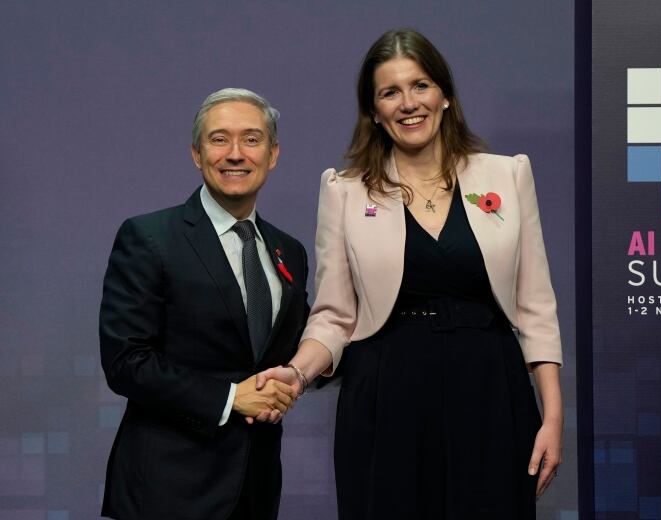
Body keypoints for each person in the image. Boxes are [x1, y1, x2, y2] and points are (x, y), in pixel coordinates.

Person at [260, 29, 563, 519]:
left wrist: (552, 416)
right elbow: (335, 316)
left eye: (420, 86)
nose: (408, 103)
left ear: (445, 96)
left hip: (489, 388)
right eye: (389, 92)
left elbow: (536, 306)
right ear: (374, 112)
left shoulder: (508, 175)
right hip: (385, 394)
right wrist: (296, 374)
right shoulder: (344, 191)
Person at [99, 88, 309, 520]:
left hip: (255, 490)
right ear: (197, 154)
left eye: (251, 139)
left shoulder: (290, 251)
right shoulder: (150, 238)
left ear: (273, 155)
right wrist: (232, 398)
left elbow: (295, 349)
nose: (235, 154)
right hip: (166, 490)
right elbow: (126, 361)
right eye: (219, 139)